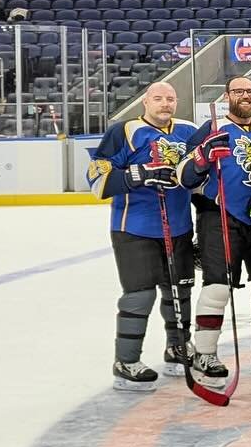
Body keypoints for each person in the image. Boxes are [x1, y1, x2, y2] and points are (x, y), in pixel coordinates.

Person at [175, 77, 251, 385]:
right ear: (227, 96)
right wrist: (202, 159)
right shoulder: (212, 129)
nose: (246, 96)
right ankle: (205, 352)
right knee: (218, 288)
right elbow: (184, 177)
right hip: (219, 217)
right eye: (239, 91)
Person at [86, 82, 200, 390]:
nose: (165, 103)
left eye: (171, 98)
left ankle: (178, 348)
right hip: (134, 228)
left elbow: (200, 178)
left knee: (180, 292)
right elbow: (97, 180)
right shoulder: (124, 132)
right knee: (140, 295)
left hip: (178, 227)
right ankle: (126, 361)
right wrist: (141, 174)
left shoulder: (188, 131)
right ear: (145, 102)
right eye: (158, 98)